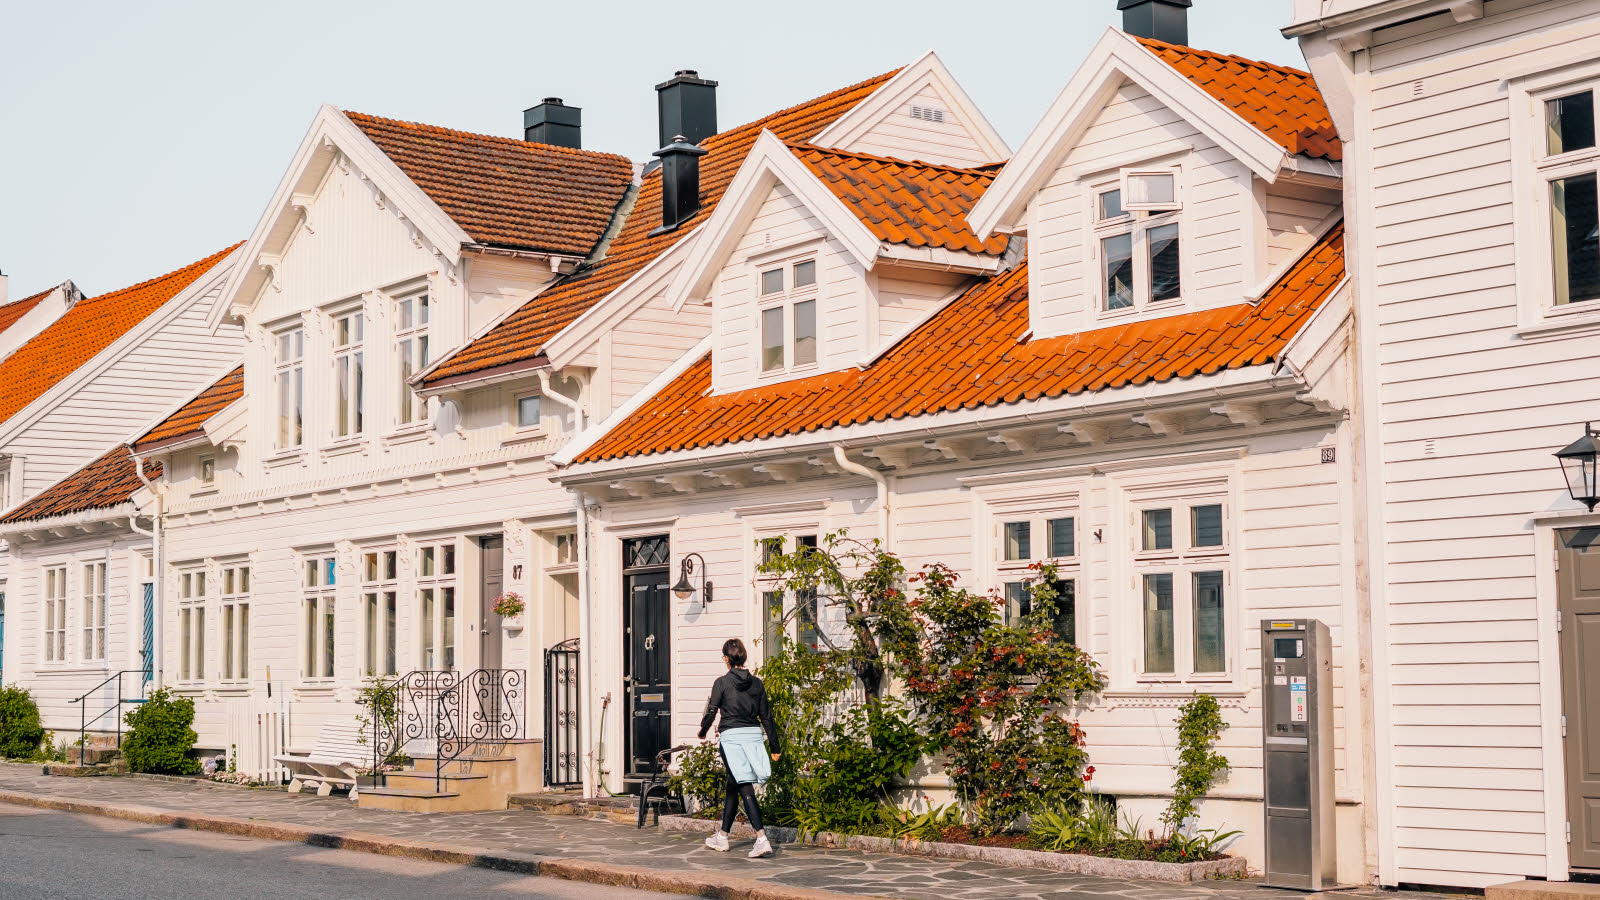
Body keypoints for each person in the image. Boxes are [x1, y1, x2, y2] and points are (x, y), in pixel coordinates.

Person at [697, 637, 781, 858]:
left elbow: (712, 710)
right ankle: (723, 836)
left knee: (744, 786)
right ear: (743, 657)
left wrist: (703, 731)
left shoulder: (722, 683)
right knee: (732, 784)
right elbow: (767, 717)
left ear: (726, 658)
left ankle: (761, 838)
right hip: (753, 737)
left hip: (732, 738)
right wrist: (775, 746)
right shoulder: (757, 683)